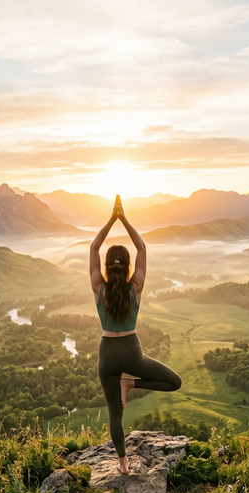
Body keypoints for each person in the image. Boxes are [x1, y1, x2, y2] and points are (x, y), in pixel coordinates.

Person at [89, 195, 182, 475]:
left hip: (106, 355)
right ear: (128, 266)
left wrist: (110, 219)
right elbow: (141, 246)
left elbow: (94, 246)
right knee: (174, 382)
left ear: (107, 266)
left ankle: (122, 462)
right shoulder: (136, 288)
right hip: (132, 352)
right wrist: (124, 219)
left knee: (114, 413)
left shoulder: (98, 288)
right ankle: (130, 384)